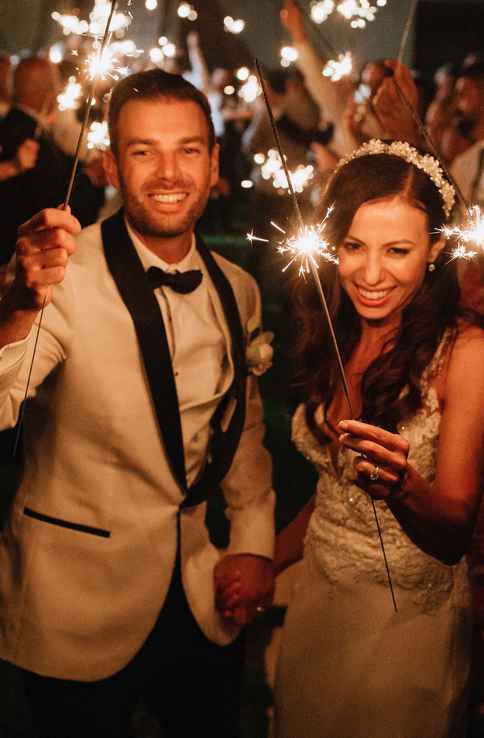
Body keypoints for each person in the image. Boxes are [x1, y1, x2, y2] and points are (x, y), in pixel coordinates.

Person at [0, 69, 275, 738]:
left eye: (187, 149)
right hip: (76, 598)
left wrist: (253, 543)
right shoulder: (58, 275)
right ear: (111, 163)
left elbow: (242, 431)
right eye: (143, 150)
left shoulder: (236, 288)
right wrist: (12, 310)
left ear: (215, 163)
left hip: (201, 595)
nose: (168, 171)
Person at [219, 139, 484, 737]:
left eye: (398, 251)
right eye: (353, 247)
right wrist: (267, 559)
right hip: (317, 605)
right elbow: (333, 493)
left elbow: (454, 531)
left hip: (405, 629)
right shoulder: (335, 329)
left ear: (436, 250)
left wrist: (403, 486)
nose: (370, 274)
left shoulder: (465, 353)